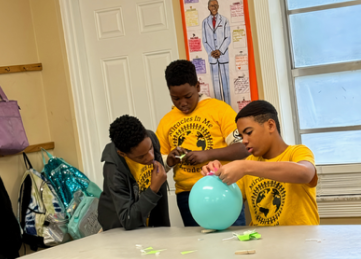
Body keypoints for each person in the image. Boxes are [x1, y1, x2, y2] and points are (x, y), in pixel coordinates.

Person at [156, 59, 249, 227]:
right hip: (188, 195)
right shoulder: (166, 122)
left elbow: (244, 148)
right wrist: (170, 160)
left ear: (198, 87)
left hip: (224, 188)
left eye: (187, 96)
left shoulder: (219, 110)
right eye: (175, 98)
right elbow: (157, 165)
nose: (182, 103)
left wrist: (206, 154)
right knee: (199, 248)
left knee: (234, 245)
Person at [202, 100, 319, 227]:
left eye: (249, 132)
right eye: (241, 136)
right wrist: (215, 177)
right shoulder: (248, 164)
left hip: (301, 242)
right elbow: (225, 202)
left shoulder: (297, 152)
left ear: (270, 126)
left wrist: (245, 167)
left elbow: (305, 174)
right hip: (262, 242)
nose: (244, 141)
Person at [98, 115, 170, 231]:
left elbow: (160, 200)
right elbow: (127, 219)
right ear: (122, 154)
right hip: (118, 232)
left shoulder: (151, 137)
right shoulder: (113, 170)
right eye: (141, 156)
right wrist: (153, 189)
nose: (151, 157)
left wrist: (164, 231)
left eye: (150, 148)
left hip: (145, 226)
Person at [202, 0, 231, 105]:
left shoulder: (224, 20)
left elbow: (228, 38)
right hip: (212, 57)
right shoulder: (205, 22)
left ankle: (228, 107)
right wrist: (211, 52)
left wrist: (220, 50)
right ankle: (219, 108)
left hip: (223, 56)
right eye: (212, 6)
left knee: (226, 84)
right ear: (208, 7)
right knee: (216, 86)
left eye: (216, 5)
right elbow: (204, 40)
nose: (214, 8)